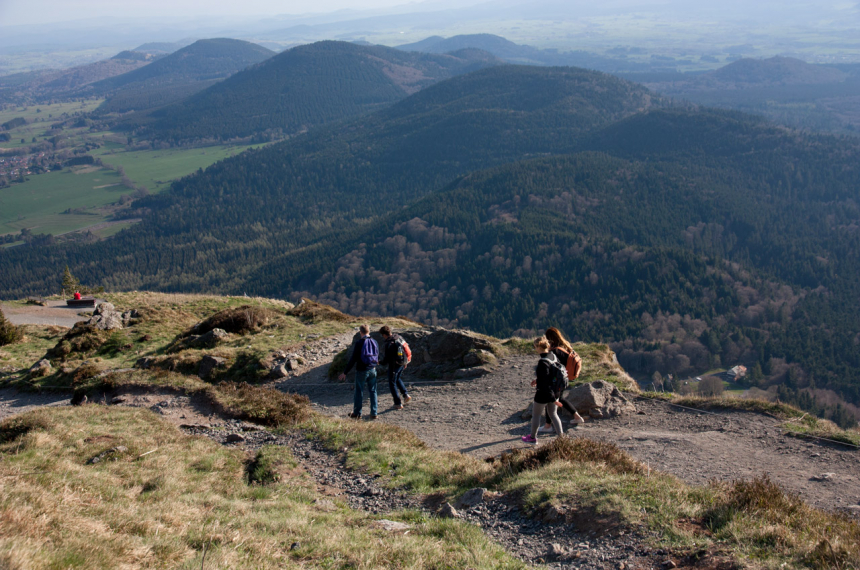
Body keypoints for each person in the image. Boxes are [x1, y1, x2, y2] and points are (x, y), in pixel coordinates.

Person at [539, 327, 586, 433]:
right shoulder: (565, 346)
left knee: (550, 400)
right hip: (564, 378)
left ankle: (548, 426)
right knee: (559, 399)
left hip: (557, 380)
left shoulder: (555, 351)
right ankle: (577, 417)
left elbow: (552, 367)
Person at [522, 336, 564, 444]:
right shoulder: (553, 356)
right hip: (556, 389)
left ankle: (532, 438)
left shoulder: (542, 362)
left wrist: (552, 398)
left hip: (544, 393)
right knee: (553, 414)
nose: (535, 349)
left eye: (535, 347)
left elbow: (544, 383)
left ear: (538, 347)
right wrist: (538, 380)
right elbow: (551, 374)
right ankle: (562, 438)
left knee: (536, 415)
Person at [338, 324, 379, 420]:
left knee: (359, 391)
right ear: (369, 331)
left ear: (361, 332)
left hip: (361, 370)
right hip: (373, 369)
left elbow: (353, 359)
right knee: (373, 390)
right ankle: (374, 412)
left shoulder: (359, 343)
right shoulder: (375, 342)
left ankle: (357, 413)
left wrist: (345, 372)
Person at [379, 325, 412, 409]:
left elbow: (387, 359)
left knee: (392, 382)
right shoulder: (398, 337)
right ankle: (405, 395)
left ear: (384, 334)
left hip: (394, 365)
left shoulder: (389, 343)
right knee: (397, 378)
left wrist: (380, 362)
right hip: (403, 362)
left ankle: (397, 403)